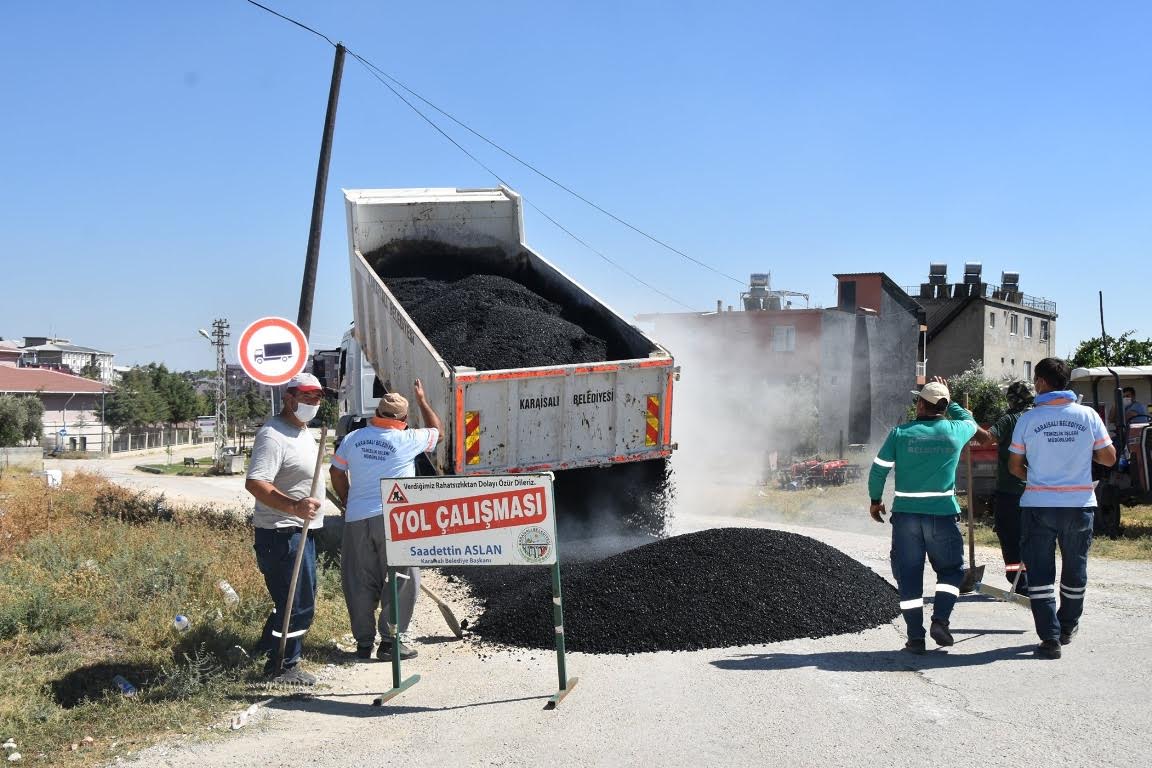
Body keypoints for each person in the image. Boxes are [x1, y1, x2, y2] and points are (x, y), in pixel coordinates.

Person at [1009, 357, 1116, 660]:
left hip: (1039, 504)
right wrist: (1082, 456)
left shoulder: (1028, 419)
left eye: (1035, 380)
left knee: (1040, 574)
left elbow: (1014, 465)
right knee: (1075, 568)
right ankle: (1067, 626)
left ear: (1041, 382)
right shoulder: (1088, 416)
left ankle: (1050, 639)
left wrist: (1039, 477)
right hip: (1078, 505)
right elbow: (1108, 458)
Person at [329, 379, 442, 661]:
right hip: (396, 519)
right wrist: (422, 400)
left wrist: (346, 501)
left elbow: (336, 472)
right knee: (401, 578)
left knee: (359, 580)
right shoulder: (407, 439)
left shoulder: (353, 439)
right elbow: (438, 433)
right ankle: (391, 642)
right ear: (403, 419)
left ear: (377, 414)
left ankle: (364, 643)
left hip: (357, 519)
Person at [868, 376, 976, 654]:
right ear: (943, 406)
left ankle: (915, 638)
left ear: (920, 405)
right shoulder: (956, 430)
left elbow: (879, 469)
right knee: (951, 572)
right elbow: (970, 420)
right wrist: (949, 401)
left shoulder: (900, 433)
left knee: (909, 576)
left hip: (906, 518)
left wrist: (875, 500)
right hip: (941, 516)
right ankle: (940, 620)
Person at [244, 372, 325, 685]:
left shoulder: (303, 431)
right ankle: (283, 666)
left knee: (292, 599)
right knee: (298, 603)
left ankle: (266, 649)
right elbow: (256, 482)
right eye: (306, 396)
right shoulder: (273, 434)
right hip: (281, 532)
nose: (313, 402)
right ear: (289, 398)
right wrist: (294, 507)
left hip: (300, 530)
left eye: (317, 397)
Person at [974, 380, 1035, 593]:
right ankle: (1032, 581)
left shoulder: (1010, 419)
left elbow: (986, 439)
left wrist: (967, 421)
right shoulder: (1039, 417)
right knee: (1032, 536)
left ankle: (1019, 582)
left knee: (1009, 535)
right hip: (1038, 491)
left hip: (1011, 490)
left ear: (1011, 399)